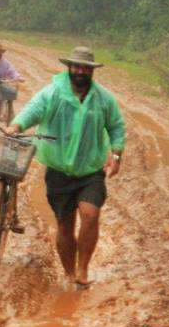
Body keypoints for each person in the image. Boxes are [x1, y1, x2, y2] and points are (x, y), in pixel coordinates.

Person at [11, 46, 126, 288]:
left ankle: (83, 269)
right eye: (77, 67)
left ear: (91, 71)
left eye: (85, 68)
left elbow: (116, 126)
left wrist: (116, 154)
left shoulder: (103, 99)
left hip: (91, 169)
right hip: (59, 169)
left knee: (90, 215)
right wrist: (17, 125)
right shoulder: (53, 93)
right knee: (65, 224)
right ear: (69, 68)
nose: (80, 72)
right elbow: (33, 110)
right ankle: (69, 273)